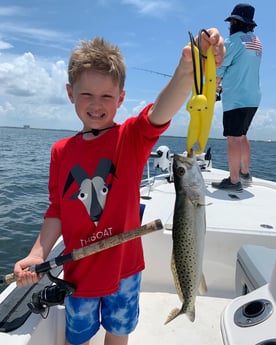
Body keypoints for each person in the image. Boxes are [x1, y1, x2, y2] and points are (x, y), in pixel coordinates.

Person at [14, 30, 224, 345]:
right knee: (79, 337)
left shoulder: (131, 139)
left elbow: (160, 111)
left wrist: (186, 69)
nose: (96, 105)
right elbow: (57, 208)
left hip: (125, 271)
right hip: (78, 274)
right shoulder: (60, 151)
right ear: (70, 94)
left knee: (118, 334)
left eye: (107, 96)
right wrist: (36, 253)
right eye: (87, 94)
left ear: (121, 98)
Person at [212, 3, 262, 192]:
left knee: (233, 138)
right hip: (253, 98)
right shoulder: (256, 42)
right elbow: (241, 68)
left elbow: (219, 69)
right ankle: (245, 173)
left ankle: (234, 182)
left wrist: (214, 89)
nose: (230, 25)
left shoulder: (232, 42)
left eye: (232, 21)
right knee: (241, 136)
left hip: (236, 100)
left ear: (235, 22)